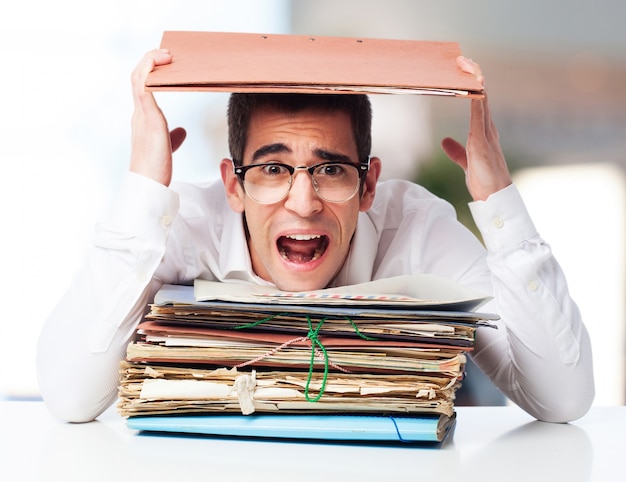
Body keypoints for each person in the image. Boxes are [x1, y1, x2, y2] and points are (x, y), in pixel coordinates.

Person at [36, 49, 594, 424]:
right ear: (233, 186)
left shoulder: (417, 228)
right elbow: (69, 395)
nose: (303, 204)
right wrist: (141, 188)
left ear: (369, 183)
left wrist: (499, 201)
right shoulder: (187, 227)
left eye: (330, 170)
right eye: (274, 170)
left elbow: (563, 399)